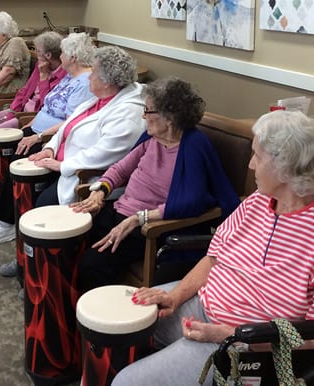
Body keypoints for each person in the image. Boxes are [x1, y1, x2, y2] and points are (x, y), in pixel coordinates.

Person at [111, 109, 314, 386]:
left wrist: (230, 334)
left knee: (127, 382)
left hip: (246, 345)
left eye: (258, 156)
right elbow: (215, 256)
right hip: (204, 304)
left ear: (286, 166)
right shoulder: (257, 202)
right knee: (120, 328)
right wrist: (177, 296)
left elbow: (310, 337)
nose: (251, 165)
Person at [70, 77, 240, 291]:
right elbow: (120, 169)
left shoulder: (194, 146)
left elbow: (193, 201)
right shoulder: (152, 139)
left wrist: (139, 218)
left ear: (169, 117)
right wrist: (100, 191)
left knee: (92, 264)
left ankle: (98, 319)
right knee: (70, 240)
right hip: (119, 212)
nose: (143, 115)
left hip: (149, 229)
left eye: (148, 110)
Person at [0, 45, 147, 278]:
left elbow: (106, 152)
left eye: (95, 72)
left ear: (108, 81)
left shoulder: (129, 112)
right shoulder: (99, 98)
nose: (90, 75)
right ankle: (25, 261)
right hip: (65, 166)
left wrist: (62, 165)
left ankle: (44, 275)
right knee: (21, 188)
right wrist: (49, 149)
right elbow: (67, 126)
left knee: (42, 203)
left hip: (86, 177)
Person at [0, 32, 95, 250]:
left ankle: (5, 223)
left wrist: (38, 136)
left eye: (65, 52)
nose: (62, 55)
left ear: (74, 56)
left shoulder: (86, 82)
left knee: (14, 160)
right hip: (35, 128)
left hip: (50, 138)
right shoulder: (69, 75)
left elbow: (71, 123)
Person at [0, 31, 67, 129]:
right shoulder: (39, 65)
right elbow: (24, 90)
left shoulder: (63, 75)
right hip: (21, 110)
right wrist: (13, 111)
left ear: (48, 55)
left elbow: (47, 105)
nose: (36, 52)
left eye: (37, 51)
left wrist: (43, 78)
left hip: (32, 117)